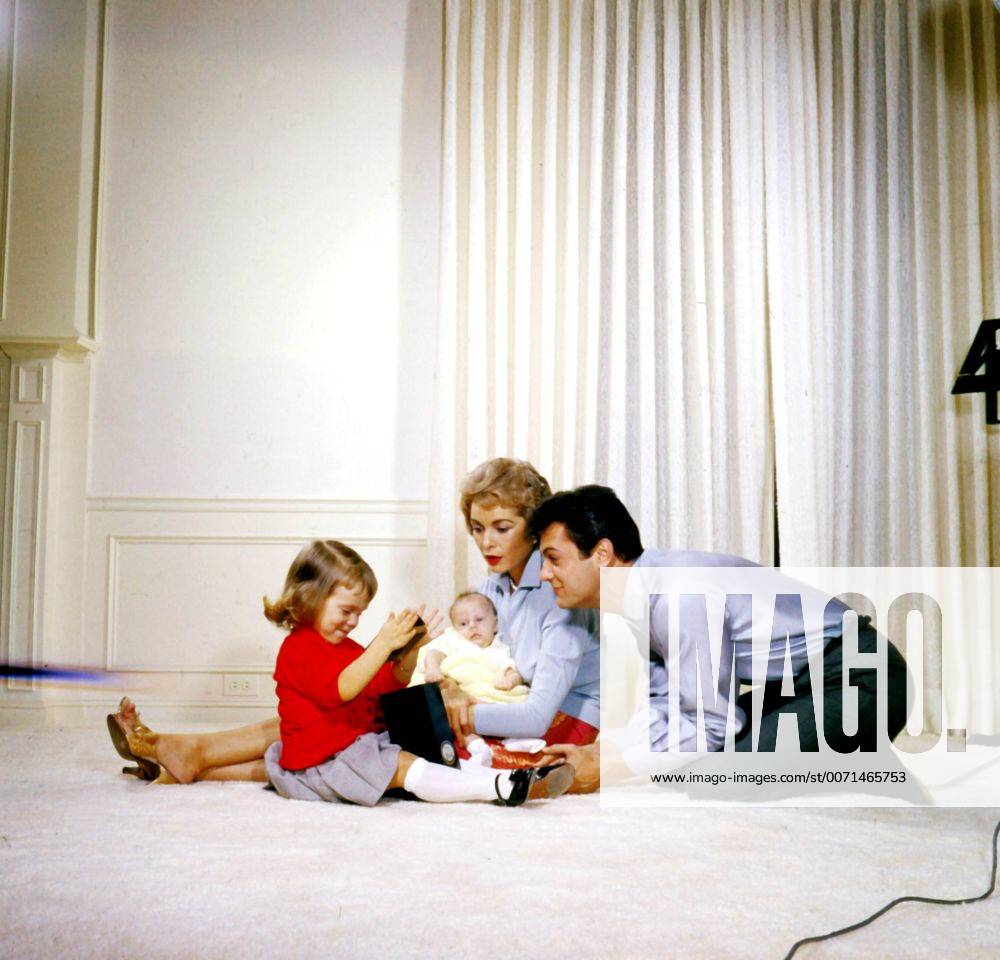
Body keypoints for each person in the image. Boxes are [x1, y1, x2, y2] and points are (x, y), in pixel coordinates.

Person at [107, 458, 600, 781]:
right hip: (503, 701)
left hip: (560, 724)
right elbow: (487, 657)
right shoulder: (495, 586)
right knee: (332, 720)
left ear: (533, 531)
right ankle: (192, 752)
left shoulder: (560, 592)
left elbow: (537, 713)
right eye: (476, 528)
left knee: (356, 731)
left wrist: (456, 707)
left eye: (501, 528)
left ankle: (193, 761)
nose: (486, 542)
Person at [530, 485, 910, 794]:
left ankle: (862, 758)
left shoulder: (678, 595)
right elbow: (669, 706)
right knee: (690, 762)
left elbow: (711, 725)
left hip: (864, 679)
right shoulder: (638, 593)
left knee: (716, 780)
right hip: (801, 686)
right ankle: (845, 750)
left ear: (601, 555)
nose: (545, 574)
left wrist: (609, 771)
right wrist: (601, 752)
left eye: (554, 558)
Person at [259, 539, 572, 806]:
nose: (353, 621)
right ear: (310, 596)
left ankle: (505, 778)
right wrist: (382, 644)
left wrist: (408, 654)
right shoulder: (299, 647)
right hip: (324, 761)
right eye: (346, 610)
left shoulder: (347, 647)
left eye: (360, 613)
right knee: (400, 765)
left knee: (426, 748)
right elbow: (342, 688)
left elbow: (381, 689)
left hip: (352, 746)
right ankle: (496, 787)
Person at [413, 592, 527, 697]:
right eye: (463, 623)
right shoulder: (454, 639)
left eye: (479, 619)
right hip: (450, 689)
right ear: (455, 628)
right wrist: (432, 669)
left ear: (495, 623)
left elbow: (513, 673)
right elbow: (434, 653)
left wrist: (509, 681)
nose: (472, 625)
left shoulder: (499, 648)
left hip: (480, 695)